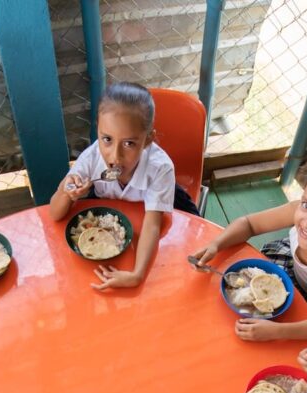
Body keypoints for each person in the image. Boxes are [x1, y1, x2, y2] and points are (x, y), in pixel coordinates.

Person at [190, 153, 307, 344]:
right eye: (306, 204)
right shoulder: (299, 211)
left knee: (286, 343)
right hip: (293, 267)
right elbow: (249, 224)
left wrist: (278, 331)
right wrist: (216, 244)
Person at [49, 82, 200, 291]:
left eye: (129, 143)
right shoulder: (92, 159)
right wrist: (67, 192)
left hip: (159, 211)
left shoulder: (160, 167)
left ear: (148, 140)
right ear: (98, 131)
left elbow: (153, 224)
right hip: (113, 218)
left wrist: (136, 275)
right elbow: (55, 213)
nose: (115, 156)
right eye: (107, 139)